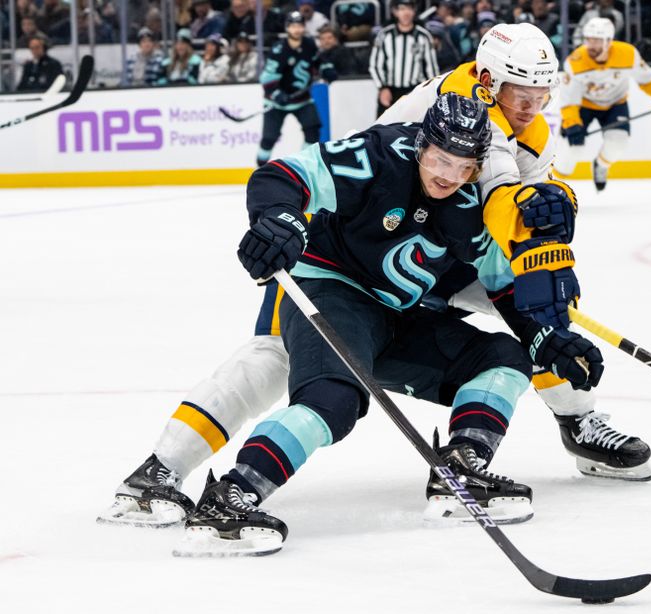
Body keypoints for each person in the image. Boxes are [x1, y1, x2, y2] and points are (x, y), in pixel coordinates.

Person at [170, 94, 599, 555]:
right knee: (333, 399)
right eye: (440, 160)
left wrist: (543, 336)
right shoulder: (378, 155)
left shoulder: (474, 203)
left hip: (399, 315)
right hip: (330, 292)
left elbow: (502, 287)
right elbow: (282, 176)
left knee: (503, 358)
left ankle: (461, 466)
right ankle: (231, 496)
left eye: (463, 167)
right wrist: (278, 218)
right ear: (422, 145)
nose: (448, 177)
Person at [377, 21, 651, 482]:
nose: (531, 109)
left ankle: (577, 420)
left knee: (545, 303)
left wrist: (562, 204)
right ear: (488, 82)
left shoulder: (527, 126)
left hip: (443, 243)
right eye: (521, 96)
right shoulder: (466, 105)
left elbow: (544, 192)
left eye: (541, 96)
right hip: (381, 244)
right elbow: (501, 196)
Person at [555, 17, 651, 191]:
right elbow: (569, 99)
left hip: (615, 103)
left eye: (596, 40)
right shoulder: (575, 61)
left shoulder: (628, 54)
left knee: (618, 143)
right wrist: (572, 124)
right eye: (588, 39)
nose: (591, 45)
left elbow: (647, 79)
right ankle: (554, 184)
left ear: (609, 41)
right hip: (583, 106)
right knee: (572, 150)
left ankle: (601, 166)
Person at [255, 11, 336, 166]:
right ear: (287, 28)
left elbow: (319, 61)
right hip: (276, 102)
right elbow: (266, 78)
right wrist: (277, 93)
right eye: (293, 26)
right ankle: (260, 170)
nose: (296, 29)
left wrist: (327, 69)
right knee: (269, 138)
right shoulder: (279, 49)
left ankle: (302, 166)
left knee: (313, 130)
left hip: (302, 99)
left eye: (299, 25)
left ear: (304, 27)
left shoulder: (310, 44)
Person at [369, 0, 439, 117]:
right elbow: (375, 65)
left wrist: (431, 92)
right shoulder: (385, 35)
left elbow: (431, 68)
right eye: (402, 9)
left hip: (415, 90)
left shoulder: (423, 36)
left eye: (409, 9)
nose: (405, 13)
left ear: (414, 11)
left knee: (414, 128)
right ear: (395, 12)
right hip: (390, 91)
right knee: (383, 129)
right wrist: (382, 87)